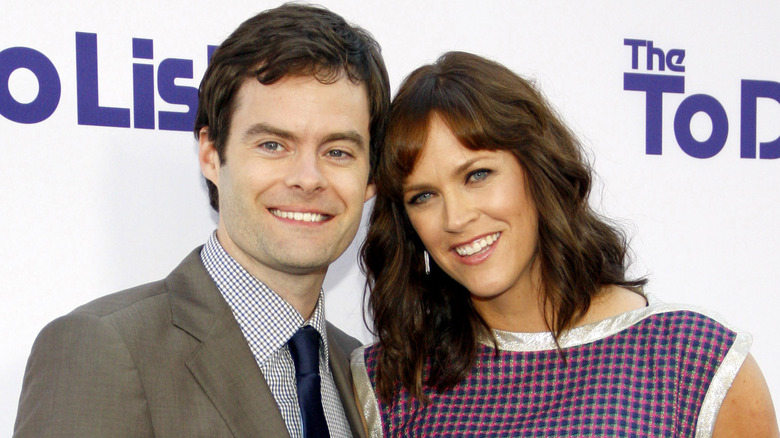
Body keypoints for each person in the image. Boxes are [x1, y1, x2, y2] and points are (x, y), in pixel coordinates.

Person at [351, 51, 778, 437]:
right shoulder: (390, 383)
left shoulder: (693, 359)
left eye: (477, 175)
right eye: (423, 196)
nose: (457, 218)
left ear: (537, 168)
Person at [14, 3, 389, 437]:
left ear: (370, 178)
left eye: (338, 151)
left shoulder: (360, 371)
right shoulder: (102, 349)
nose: (308, 178)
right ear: (211, 155)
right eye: (272, 144)